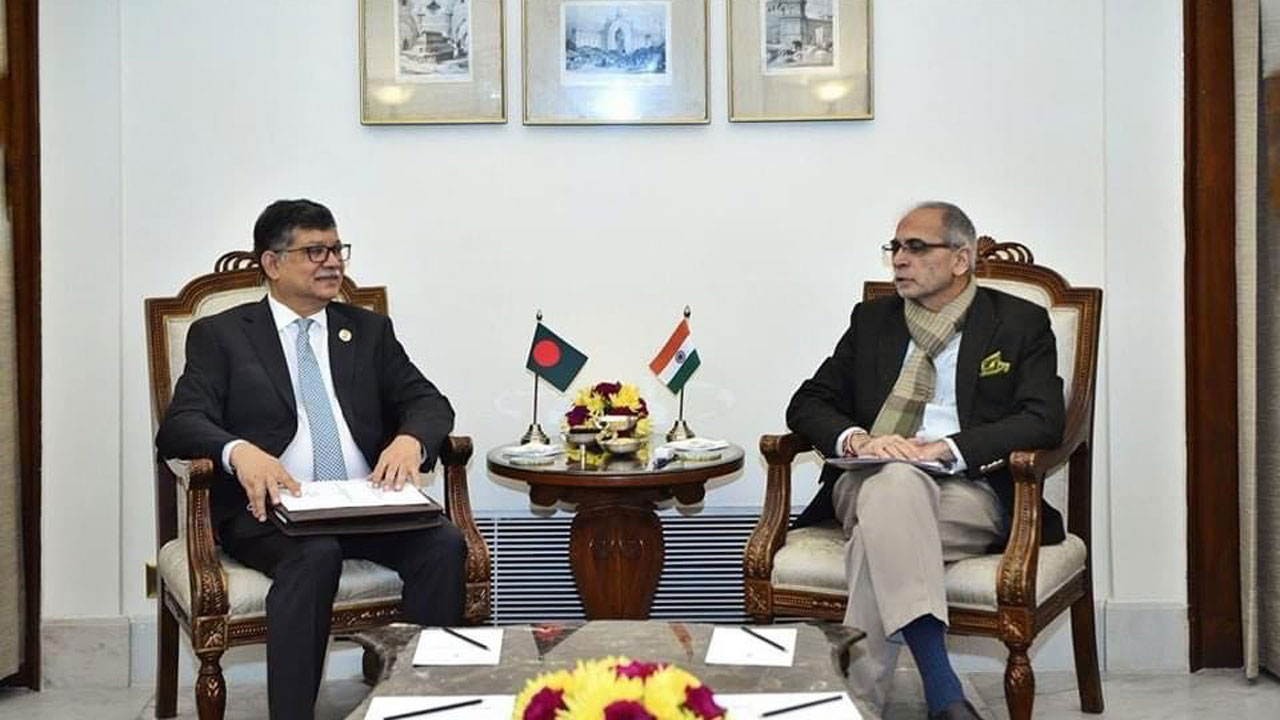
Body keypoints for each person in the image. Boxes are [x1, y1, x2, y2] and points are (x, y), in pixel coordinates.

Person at [155, 199, 465, 720]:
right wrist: (239, 452)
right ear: (272, 263)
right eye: (315, 251)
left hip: (363, 502)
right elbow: (180, 424)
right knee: (315, 555)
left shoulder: (367, 331)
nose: (333, 262)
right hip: (271, 512)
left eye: (337, 249)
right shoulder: (222, 335)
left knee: (444, 544)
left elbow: (429, 402)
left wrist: (411, 439)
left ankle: (419, 707)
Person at [786, 201, 1066, 720]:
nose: (899, 259)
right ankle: (943, 690)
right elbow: (808, 403)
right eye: (895, 247)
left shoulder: (1018, 323)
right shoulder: (873, 321)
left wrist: (948, 448)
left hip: (969, 490)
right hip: (866, 478)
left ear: (961, 259)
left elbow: (1044, 419)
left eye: (916, 247)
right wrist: (858, 440)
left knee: (877, 536)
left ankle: (854, 705)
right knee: (894, 482)